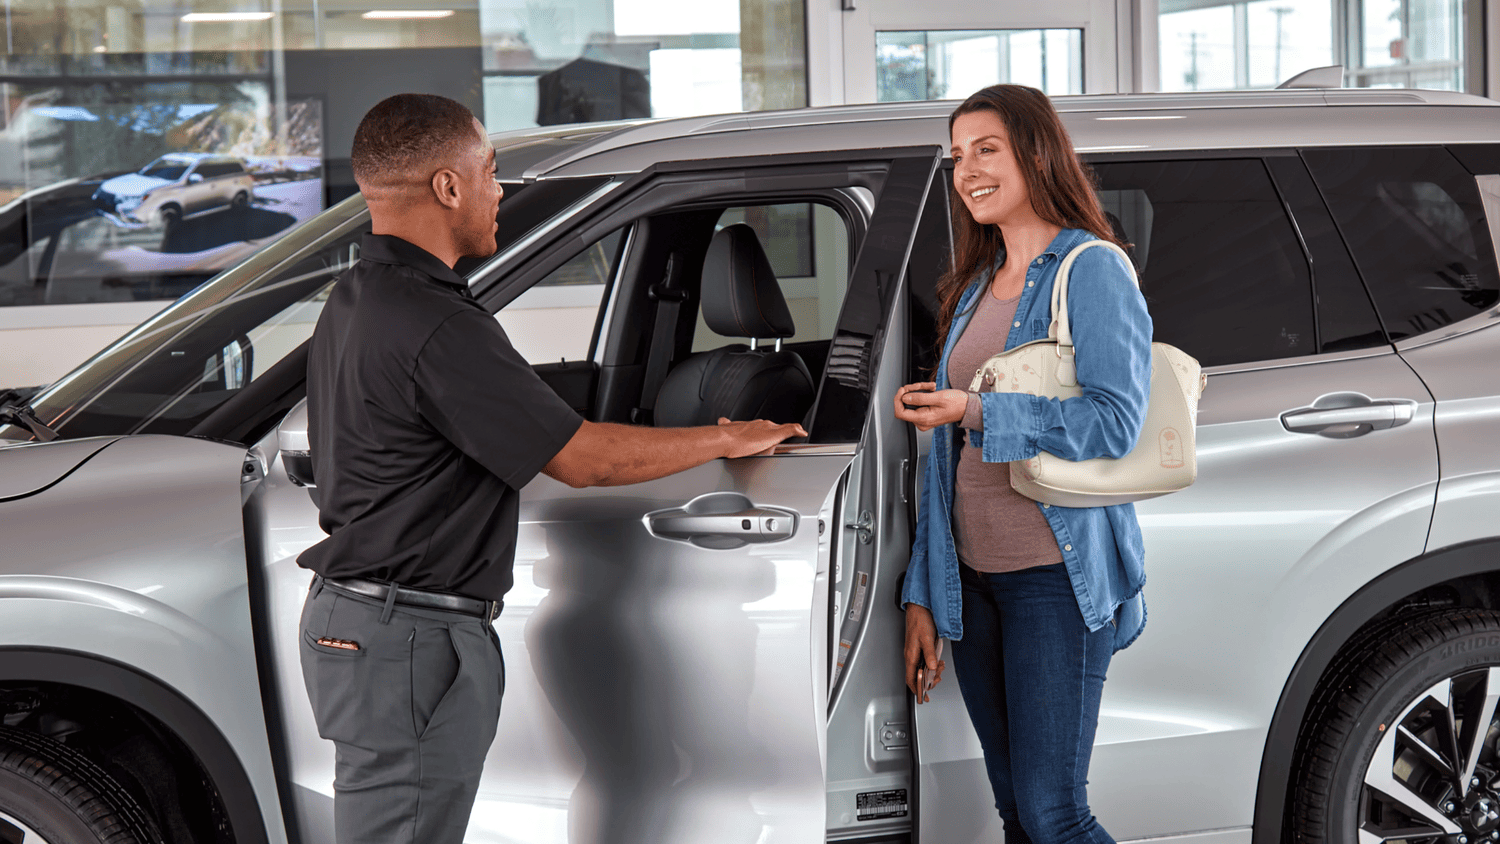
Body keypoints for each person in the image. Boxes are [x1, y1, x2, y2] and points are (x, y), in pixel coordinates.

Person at [296, 93, 805, 844]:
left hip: (375, 625)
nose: (498, 191)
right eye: (490, 171)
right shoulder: (437, 324)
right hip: (408, 636)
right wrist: (723, 439)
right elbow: (583, 459)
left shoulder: (360, 297)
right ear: (448, 186)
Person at [893, 84, 1152, 844]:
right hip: (974, 583)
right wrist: (925, 593)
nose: (967, 170)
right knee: (1017, 816)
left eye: (987, 149)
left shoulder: (1092, 269)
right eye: (957, 156)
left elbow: (1115, 423)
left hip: (1053, 578)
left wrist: (976, 410)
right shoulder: (976, 286)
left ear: (1037, 153)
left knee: (1054, 816)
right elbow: (946, 467)